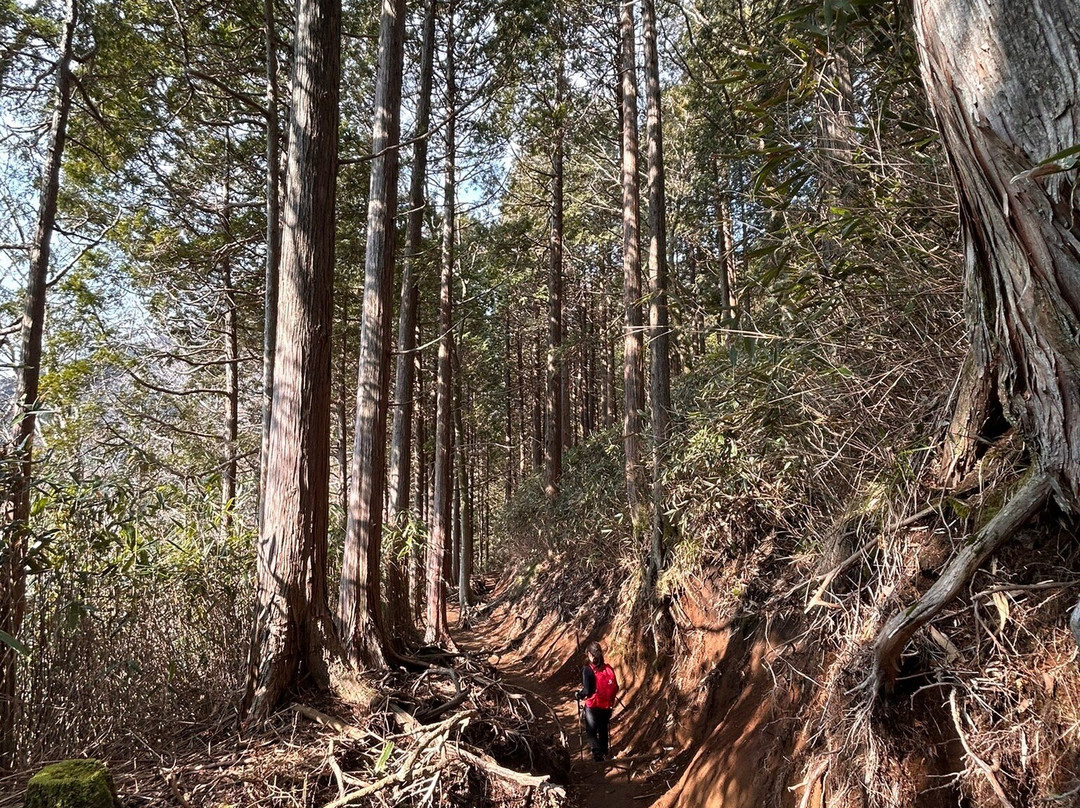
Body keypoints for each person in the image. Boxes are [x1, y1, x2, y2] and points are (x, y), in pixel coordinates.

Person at [575, 641, 618, 762]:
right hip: (606, 705)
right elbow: (616, 687)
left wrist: (579, 695)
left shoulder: (588, 670)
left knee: (591, 731)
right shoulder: (608, 668)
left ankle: (597, 754)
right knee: (603, 728)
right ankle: (604, 751)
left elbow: (587, 690)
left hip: (593, 705)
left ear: (589, 654)